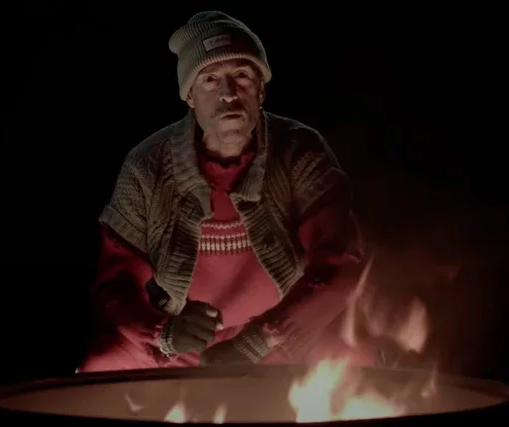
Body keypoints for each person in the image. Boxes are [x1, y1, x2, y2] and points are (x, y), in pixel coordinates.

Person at [77, 11, 374, 372]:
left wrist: (256, 341)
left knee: (358, 366)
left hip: (280, 338)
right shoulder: (146, 166)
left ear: (261, 90)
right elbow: (116, 283)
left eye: (242, 75)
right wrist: (164, 332)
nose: (228, 94)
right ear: (190, 96)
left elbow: (339, 261)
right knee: (100, 366)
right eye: (210, 79)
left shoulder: (300, 152)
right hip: (179, 347)